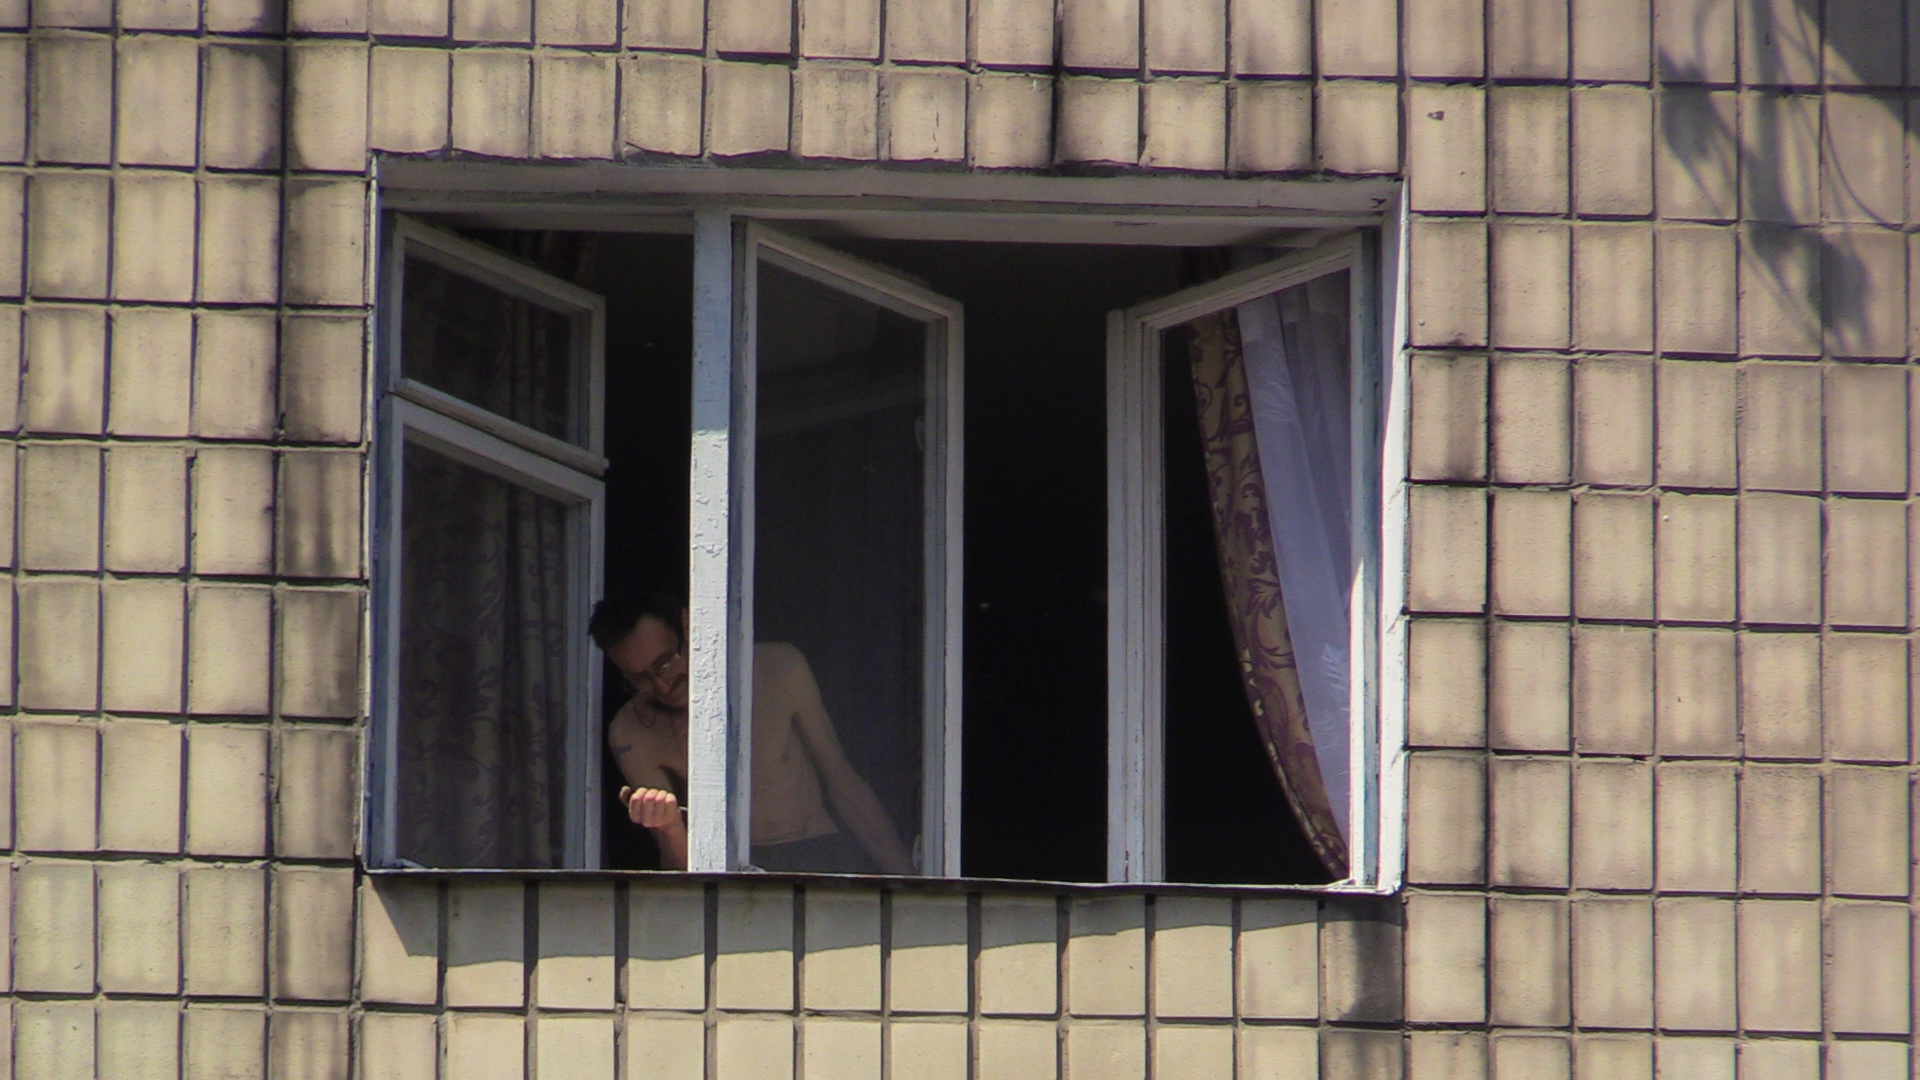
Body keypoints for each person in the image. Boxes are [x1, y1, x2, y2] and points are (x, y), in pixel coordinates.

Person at [589, 587, 916, 875]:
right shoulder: (631, 731)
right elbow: (678, 866)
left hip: (819, 850)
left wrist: (910, 885)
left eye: (666, 661)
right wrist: (670, 825)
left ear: (691, 627)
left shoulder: (777, 668)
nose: (662, 684)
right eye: (641, 678)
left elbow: (844, 784)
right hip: (728, 871)